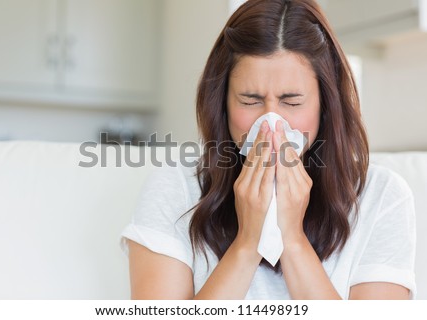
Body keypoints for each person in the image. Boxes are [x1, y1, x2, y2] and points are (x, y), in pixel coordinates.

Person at [120, 0, 416, 299]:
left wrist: (292, 239)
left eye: (292, 102)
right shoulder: (175, 187)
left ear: (325, 104)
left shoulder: (381, 196)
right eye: (250, 101)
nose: (271, 124)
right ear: (221, 104)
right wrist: (248, 243)